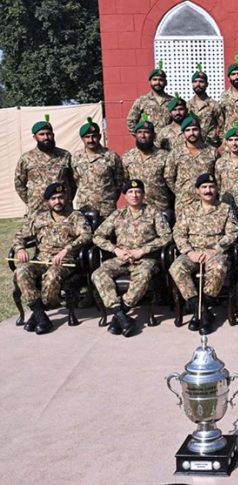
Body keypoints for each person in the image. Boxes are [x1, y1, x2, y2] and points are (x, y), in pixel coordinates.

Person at [92, 179, 172, 337]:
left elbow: (167, 237)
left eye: (138, 192)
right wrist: (115, 250)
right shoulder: (118, 214)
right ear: (125, 195)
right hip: (122, 257)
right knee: (98, 274)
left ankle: (120, 314)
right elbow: (98, 236)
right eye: (130, 192)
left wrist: (143, 251)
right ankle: (120, 315)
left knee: (143, 274)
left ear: (143, 195)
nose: (134, 195)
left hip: (145, 259)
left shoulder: (153, 213)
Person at [12, 182, 92, 334]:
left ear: (66, 197)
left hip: (64, 262)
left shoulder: (75, 216)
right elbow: (19, 236)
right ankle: (41, 315)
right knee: (21, 271)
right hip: (41, 260)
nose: (58, 201)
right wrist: (20, 248)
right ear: (48, 201)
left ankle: (39, 313)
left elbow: (87, 235)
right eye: (53, 198)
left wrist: (67, 250)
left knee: (52, 276)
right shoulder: (39, 218)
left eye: (61, 197)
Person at [170, 174, 238, 335]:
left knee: (219, 267)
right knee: (176, 267)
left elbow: (232, 233)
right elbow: (178, 234)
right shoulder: (188, 210)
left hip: (215, 253)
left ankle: (201, 310)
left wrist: (215, 250)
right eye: (204, 187)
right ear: (197, 190)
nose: (208, 190)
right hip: (192, 252)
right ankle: (201, 310)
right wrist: (189, 252)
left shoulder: (225, 209)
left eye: (211, 187)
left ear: (217, 189)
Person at [15, 115, 74, 215]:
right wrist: (32, 201)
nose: (46, 137)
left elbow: (73, 181)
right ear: (35, 137)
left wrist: (66, 198)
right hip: (38, 210)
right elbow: (19, 184)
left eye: (48, 134)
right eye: (41, 134)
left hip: (63, 208)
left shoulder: (65, 155)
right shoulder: (26, 158)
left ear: (53, 135)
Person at [71, 117, 124, 217]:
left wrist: (107, 198)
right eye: (87, 137)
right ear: (82, 139)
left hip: (107, 210)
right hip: (84, 208)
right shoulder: (76, 158)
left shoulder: (111, 156)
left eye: (94, 136)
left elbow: (119, 183)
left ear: (99, 137)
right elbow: (75, 181)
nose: (91, 140)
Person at [164, 116, 218, 213]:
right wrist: (181, 191)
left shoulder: (212, 152)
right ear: (183, 133)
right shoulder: (175, 153)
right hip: (184, 203)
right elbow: (169, 176)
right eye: (188, 130)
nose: (192, 133)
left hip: (208, 201)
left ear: (200, 130)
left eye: (194, 129)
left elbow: (218, 176)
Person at [121, 116, 171, 211]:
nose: (143, 136)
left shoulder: (164, 156)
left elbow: (171, 182)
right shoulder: (128, 156)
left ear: (154, 135)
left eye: (147, 132)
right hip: (136, 208)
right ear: (135, 135)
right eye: (139, 132)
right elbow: (124, 180)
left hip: (160, 207)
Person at [126, 61, 173, 135]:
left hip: (169, 142)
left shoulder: (172, 101)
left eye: (161, 80)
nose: (158, 82)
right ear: (149, 82)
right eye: (155, 80)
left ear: (166, 82)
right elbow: (131, 121)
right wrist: (141, 137)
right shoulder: (142, 100)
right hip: (150, 144)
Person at [188, 64, 224, 147]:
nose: (198, 84)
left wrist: (222, 146)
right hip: (193, 145)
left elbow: (222, 127)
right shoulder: (187, 105)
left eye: (201, 82)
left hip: (211, 146)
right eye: (195, 81)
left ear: (206, 84)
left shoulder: (214, 105)